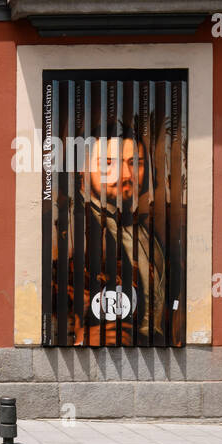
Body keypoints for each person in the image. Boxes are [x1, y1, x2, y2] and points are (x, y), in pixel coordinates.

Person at [55, 129, 168, 346]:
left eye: (135, 163)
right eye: (108, 162)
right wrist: (80, 339)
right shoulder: (64, 228)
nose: (126, 174)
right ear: (81, 168)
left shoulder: (144, 234)